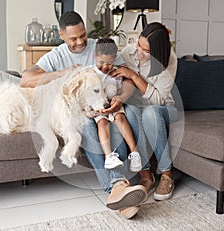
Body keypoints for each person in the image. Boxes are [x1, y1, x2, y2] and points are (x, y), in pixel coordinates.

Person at [20, 11, 147, 219]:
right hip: (79, 113)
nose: (80, 42)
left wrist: (121, 99)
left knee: (113, 122)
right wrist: (63, 74)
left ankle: (119, 191)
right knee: (88, 126)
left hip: (106, 107)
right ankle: (118, 186)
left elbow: (129, 78)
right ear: (61, 35)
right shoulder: (57, 56)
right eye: (73, 38)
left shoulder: (100, 48)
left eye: (83, 35)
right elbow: (26, 79)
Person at [109, 22, 179, 201]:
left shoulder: (169, 60)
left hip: (165, 108)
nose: (138, 52)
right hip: (137, 106)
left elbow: (158, 99)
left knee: (150, 112)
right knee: (130, 112)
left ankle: (167, 174)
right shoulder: (128, 53)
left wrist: (134, 75)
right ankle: (146, 175)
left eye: (146, 51)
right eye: (139, 45)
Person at [92, 38, 142, 172]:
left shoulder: (117, 73)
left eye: (109, 63)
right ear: (95, 57)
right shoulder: (90, 73)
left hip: (114, 103)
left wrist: (119, 97)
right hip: (99, 106)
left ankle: (134, 153)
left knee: (120, 118)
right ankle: (109, 156)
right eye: (101, 62)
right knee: (102, 123)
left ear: (114, 59)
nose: (104, 67)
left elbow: (122, 90)